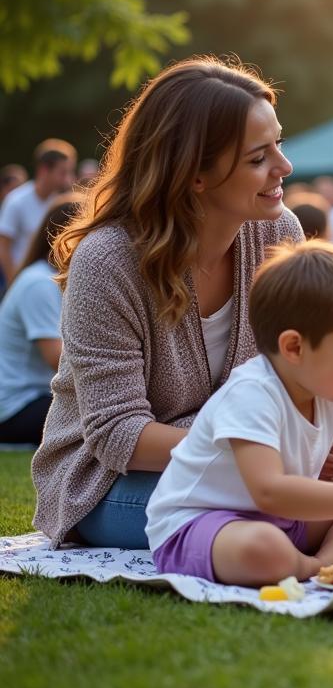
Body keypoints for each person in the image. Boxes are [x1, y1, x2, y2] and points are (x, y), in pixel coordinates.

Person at [31, 56, 305, 549]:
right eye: (258, 158)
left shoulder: (278, 235)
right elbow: (118, 434)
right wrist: (270, 457)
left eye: (278, 145)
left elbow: (296, 377)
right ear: (195, 174)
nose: (284, 168)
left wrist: (330, 443)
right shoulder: (110, 261)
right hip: (107, 480)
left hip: (247, 461)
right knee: (291, 508)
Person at [145, 241, 333, 584]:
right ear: (294, 347)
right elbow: (270, 491)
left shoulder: (329, 395)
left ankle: (326, 564)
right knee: (263, 548)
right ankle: (305, 565)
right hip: (203, 524)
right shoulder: (252, 394)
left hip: (284, 522)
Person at [0, 196, 78, 444]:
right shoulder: (38, 284)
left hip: (35, 397)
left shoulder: (52, 280)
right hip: (15, 407)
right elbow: (57, 359)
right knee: (103, 413)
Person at [0, 138, 76, 282]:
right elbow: (3, 247)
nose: (68, 179)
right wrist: (14, 282)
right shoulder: (16, 201)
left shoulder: (61, 203)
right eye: (63, 172)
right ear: (44, 170)